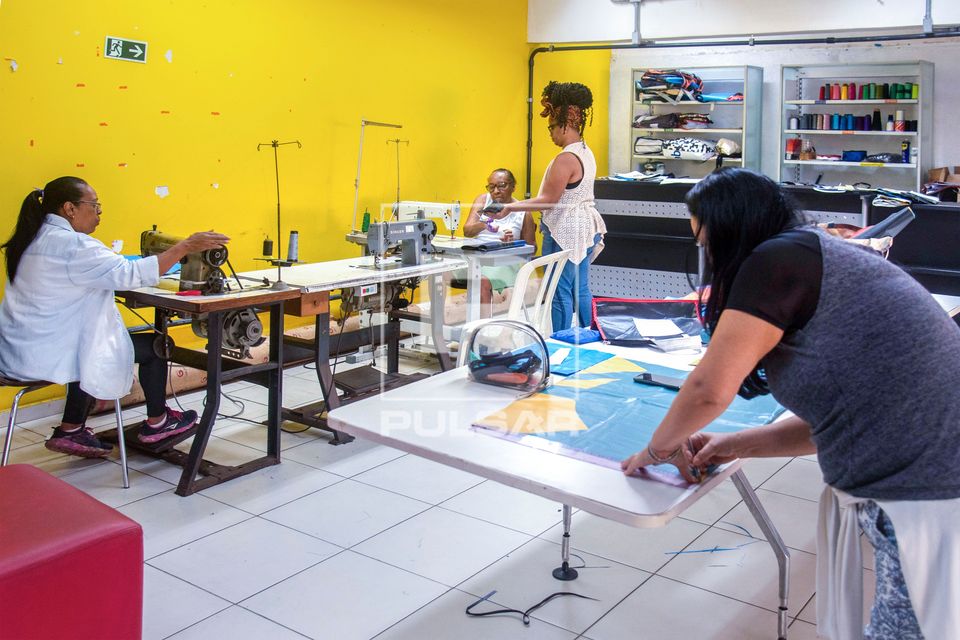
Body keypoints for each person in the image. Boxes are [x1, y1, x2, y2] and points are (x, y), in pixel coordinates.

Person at [620, 168, 960, 639]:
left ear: (729, 228)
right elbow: (836, 419)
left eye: (705, 242)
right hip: (929, 476)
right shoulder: (811, 253)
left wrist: (656, 450)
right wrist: (730, 445)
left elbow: (707, 391)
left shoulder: (777, 260)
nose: (707, 256)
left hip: (932, 491)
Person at [0, 176, 230, 458]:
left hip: (17, 351)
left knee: (91, 340)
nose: (99, 213)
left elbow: (106, 271)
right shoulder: (74, 246)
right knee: (156, 346)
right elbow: (130, 274)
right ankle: (158, 423)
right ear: (70, 209)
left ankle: (71, 428)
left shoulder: (33, 238)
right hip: (47, 355)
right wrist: (184, 246)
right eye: (94, 206)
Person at [486, 81, 606, 331]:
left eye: (551, 127)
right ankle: (591, 335)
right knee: (580, 287)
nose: (550, 133)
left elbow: (547, 200)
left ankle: (560, 341)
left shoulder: (566, 158)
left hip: (566, 230)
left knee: (558, 290)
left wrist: (510, 208)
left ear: (564, 124)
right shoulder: (586, 152)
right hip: (584, 227)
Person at [454, 168, 535, 314]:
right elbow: (468, 231)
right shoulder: (483, 201)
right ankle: (437, 330)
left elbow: (532, 248)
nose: (495, 191)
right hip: (477, 257)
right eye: (491, 187)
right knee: (440, 273)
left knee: (481, 281)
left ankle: (482, 332)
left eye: (501, 185)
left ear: (513, 187)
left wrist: (513, 244)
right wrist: (485, 223)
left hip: (505, 262)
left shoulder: (523, 211)